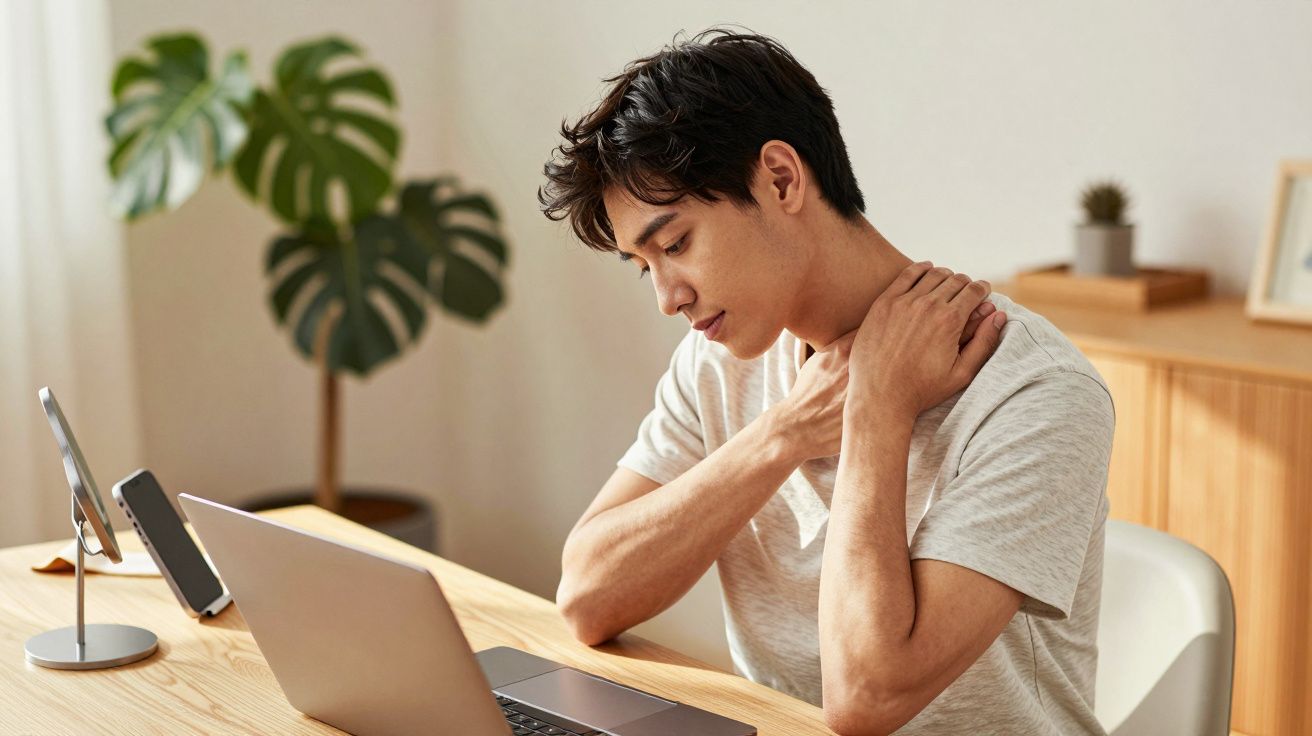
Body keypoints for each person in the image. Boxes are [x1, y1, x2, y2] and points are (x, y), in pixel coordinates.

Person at [539, 29, 1114, 736]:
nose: (668, 298)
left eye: (676, 244)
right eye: (644, 267)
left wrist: (876, 406)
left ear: (781, 179)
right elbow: (587, 597)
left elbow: (868, 699)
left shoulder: (1036, 393)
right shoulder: (719, 356)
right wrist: (783, 433)